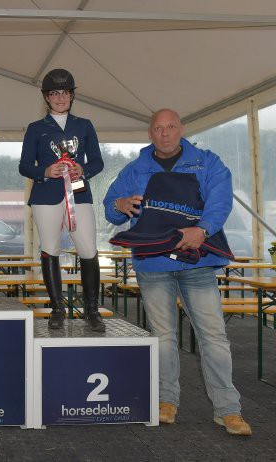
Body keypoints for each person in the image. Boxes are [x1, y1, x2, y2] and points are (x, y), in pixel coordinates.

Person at [103, 108, 252, 435]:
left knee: (213, 336)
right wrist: (119, 205)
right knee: (164, 337)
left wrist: (204, 229)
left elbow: (221, 201)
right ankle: (166, 401)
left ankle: (228, 409)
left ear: (181, 129)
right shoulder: (134, 169)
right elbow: (111, 206)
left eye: (170, 127)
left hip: (196, 262)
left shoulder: (208, 162)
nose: (165, 133)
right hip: (152, 265)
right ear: (150, 133)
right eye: (158, 128)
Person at [19, 69, 105, 332]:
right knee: (50, 249)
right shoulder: (36, 129)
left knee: (89, 249)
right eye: (54, 93)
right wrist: (44, 172)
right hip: (46, 196)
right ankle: (57, 309)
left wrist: (83, 170)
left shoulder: (85, 125)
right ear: (46, 97)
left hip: (79, 194)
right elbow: (24, 166)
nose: (60, 98)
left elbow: (98, 161)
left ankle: (92, 310)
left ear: (72, 95)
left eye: (65, 92)